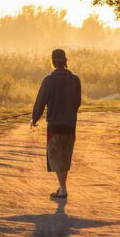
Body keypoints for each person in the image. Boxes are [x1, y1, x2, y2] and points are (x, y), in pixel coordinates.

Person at [31, 48, 81, 199]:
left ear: (52, 62)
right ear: (66, 61)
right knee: (65, 156)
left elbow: (41, 101)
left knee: (57, 156)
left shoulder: (49, 80)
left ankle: (63, 190)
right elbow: (77, 102)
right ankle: (62, 187)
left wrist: (34, 118)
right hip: (70, 124)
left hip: (54, 124)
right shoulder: (75, 80)